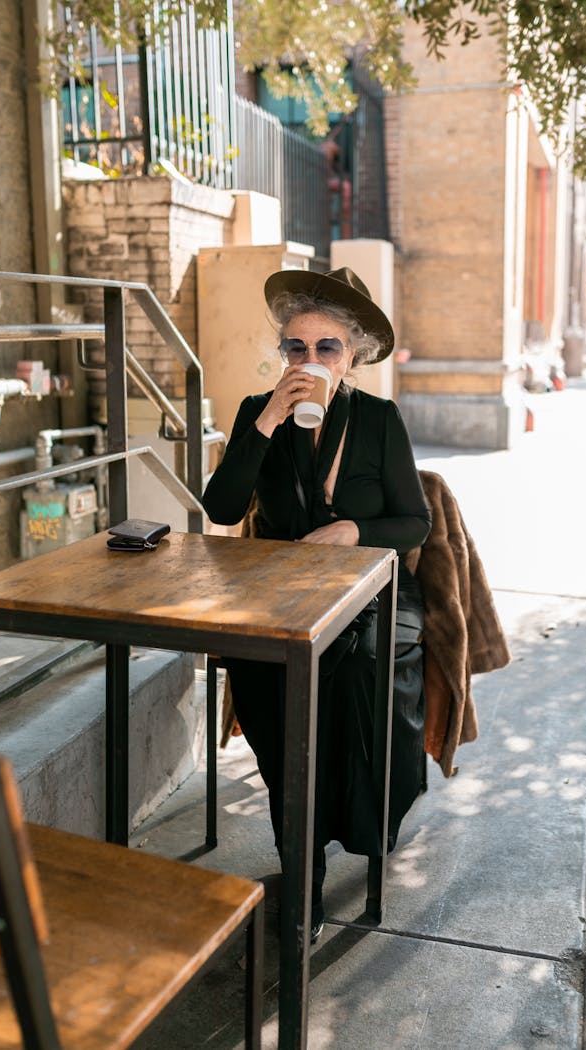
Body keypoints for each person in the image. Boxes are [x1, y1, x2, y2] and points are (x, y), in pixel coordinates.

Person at [202, 267, 432, 942]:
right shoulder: (257, 413)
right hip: (279, 593)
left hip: (372, 589)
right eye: (295, 349)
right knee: (266, 671)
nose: (309, 362)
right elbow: (219, 510)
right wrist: (270, 418)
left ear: (352, 356)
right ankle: (299, 860)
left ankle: (349, 824)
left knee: (353, 670)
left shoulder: (379, 420)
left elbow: (414, 522)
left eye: (325, 348)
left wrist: (353, 530)